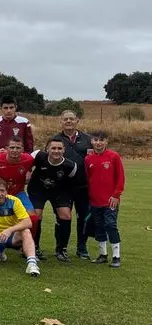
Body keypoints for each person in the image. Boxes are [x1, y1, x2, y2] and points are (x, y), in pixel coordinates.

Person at [51, 110, 94, 259]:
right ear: (61, 121)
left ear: (77, 121)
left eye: (71, 119)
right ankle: (60, 248)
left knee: (83, 218)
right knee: (63, 217)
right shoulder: (55, 140)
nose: (68, 121)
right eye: (65, 119)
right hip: (63, 187)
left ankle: (82, 248)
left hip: (83, 186)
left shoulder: (88, 139)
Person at [29, 139, 78, 262]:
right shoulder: (38, 156)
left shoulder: (70, 166)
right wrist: (28, 172)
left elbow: (71, 183)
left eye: (59, 149)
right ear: (47, 149)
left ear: (64, 150)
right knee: (36, 216)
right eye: (53, 148)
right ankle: (34, 247)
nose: (56, 151)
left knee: (66, 216)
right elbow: (25, 163)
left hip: (59, 191)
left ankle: (61, 249)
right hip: (38, 189)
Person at [85, 131, 125, 268]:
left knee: (110, 225)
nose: (98, 143)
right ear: (91, 141)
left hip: (110, 201)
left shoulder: (114, 157)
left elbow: (120, 178)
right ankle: (103, 254)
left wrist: (116, 195)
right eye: (96, 140)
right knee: (99, 227)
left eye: (102, 140)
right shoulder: (88, 159)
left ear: (106, 141)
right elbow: (88, 179)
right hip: (95, 201)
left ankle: (116, 256)